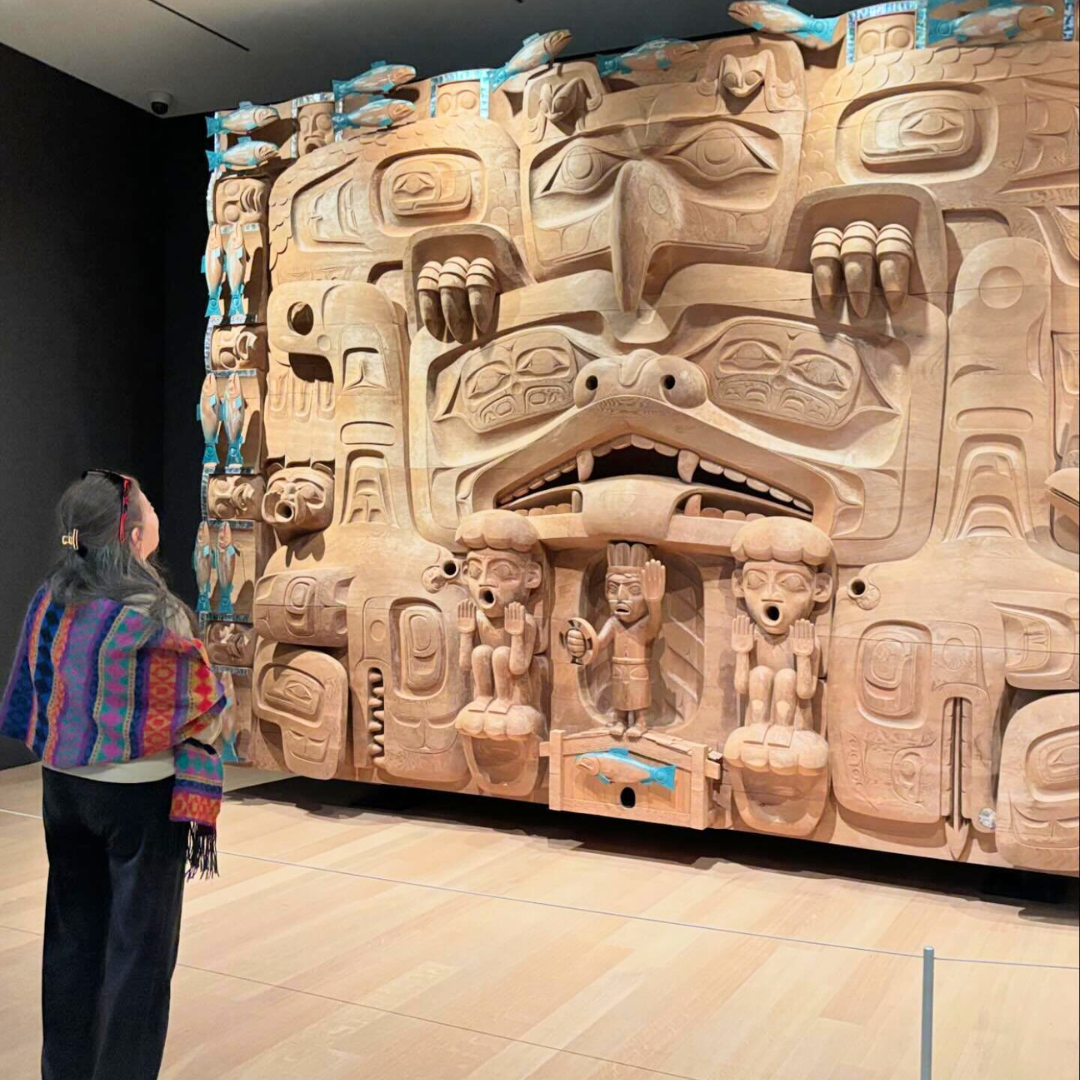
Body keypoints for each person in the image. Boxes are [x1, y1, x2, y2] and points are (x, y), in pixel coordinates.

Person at [0, 470, 227, 1080]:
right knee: (140, 956)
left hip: (61, 788)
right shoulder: (158, 613)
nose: (157, 518)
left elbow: (37, 685)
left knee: (72, 938)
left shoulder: (50, 597)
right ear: (130, 534)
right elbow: (202, 708)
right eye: (150, 509)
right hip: (138, 798)